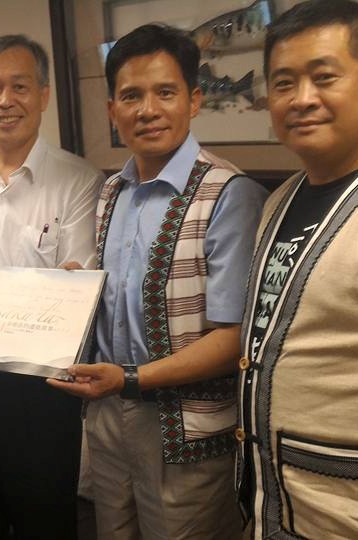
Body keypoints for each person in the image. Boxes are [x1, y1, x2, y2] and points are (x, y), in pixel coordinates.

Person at [47, 24, 267, 539]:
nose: (148, 110)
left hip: (184, 428)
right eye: (131, 96)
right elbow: (126, 298)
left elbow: (234, 337)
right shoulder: (113, 191)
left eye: (165, 92)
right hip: (106, 414)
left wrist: (130, 379)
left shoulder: (229, 194)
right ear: (112, 110)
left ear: (194, 100)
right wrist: (77, 293)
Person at [235, 1, 358, 537]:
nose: (302, 99)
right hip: (279, 509)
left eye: (324, 77)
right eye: (283, 83)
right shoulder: (280, 199)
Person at [0, 34, 103, 539]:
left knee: (43, 521)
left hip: (40, 394)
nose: (5, 101)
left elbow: (74, 287)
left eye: (20, 87)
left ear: (44, 95)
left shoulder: (80, 180)